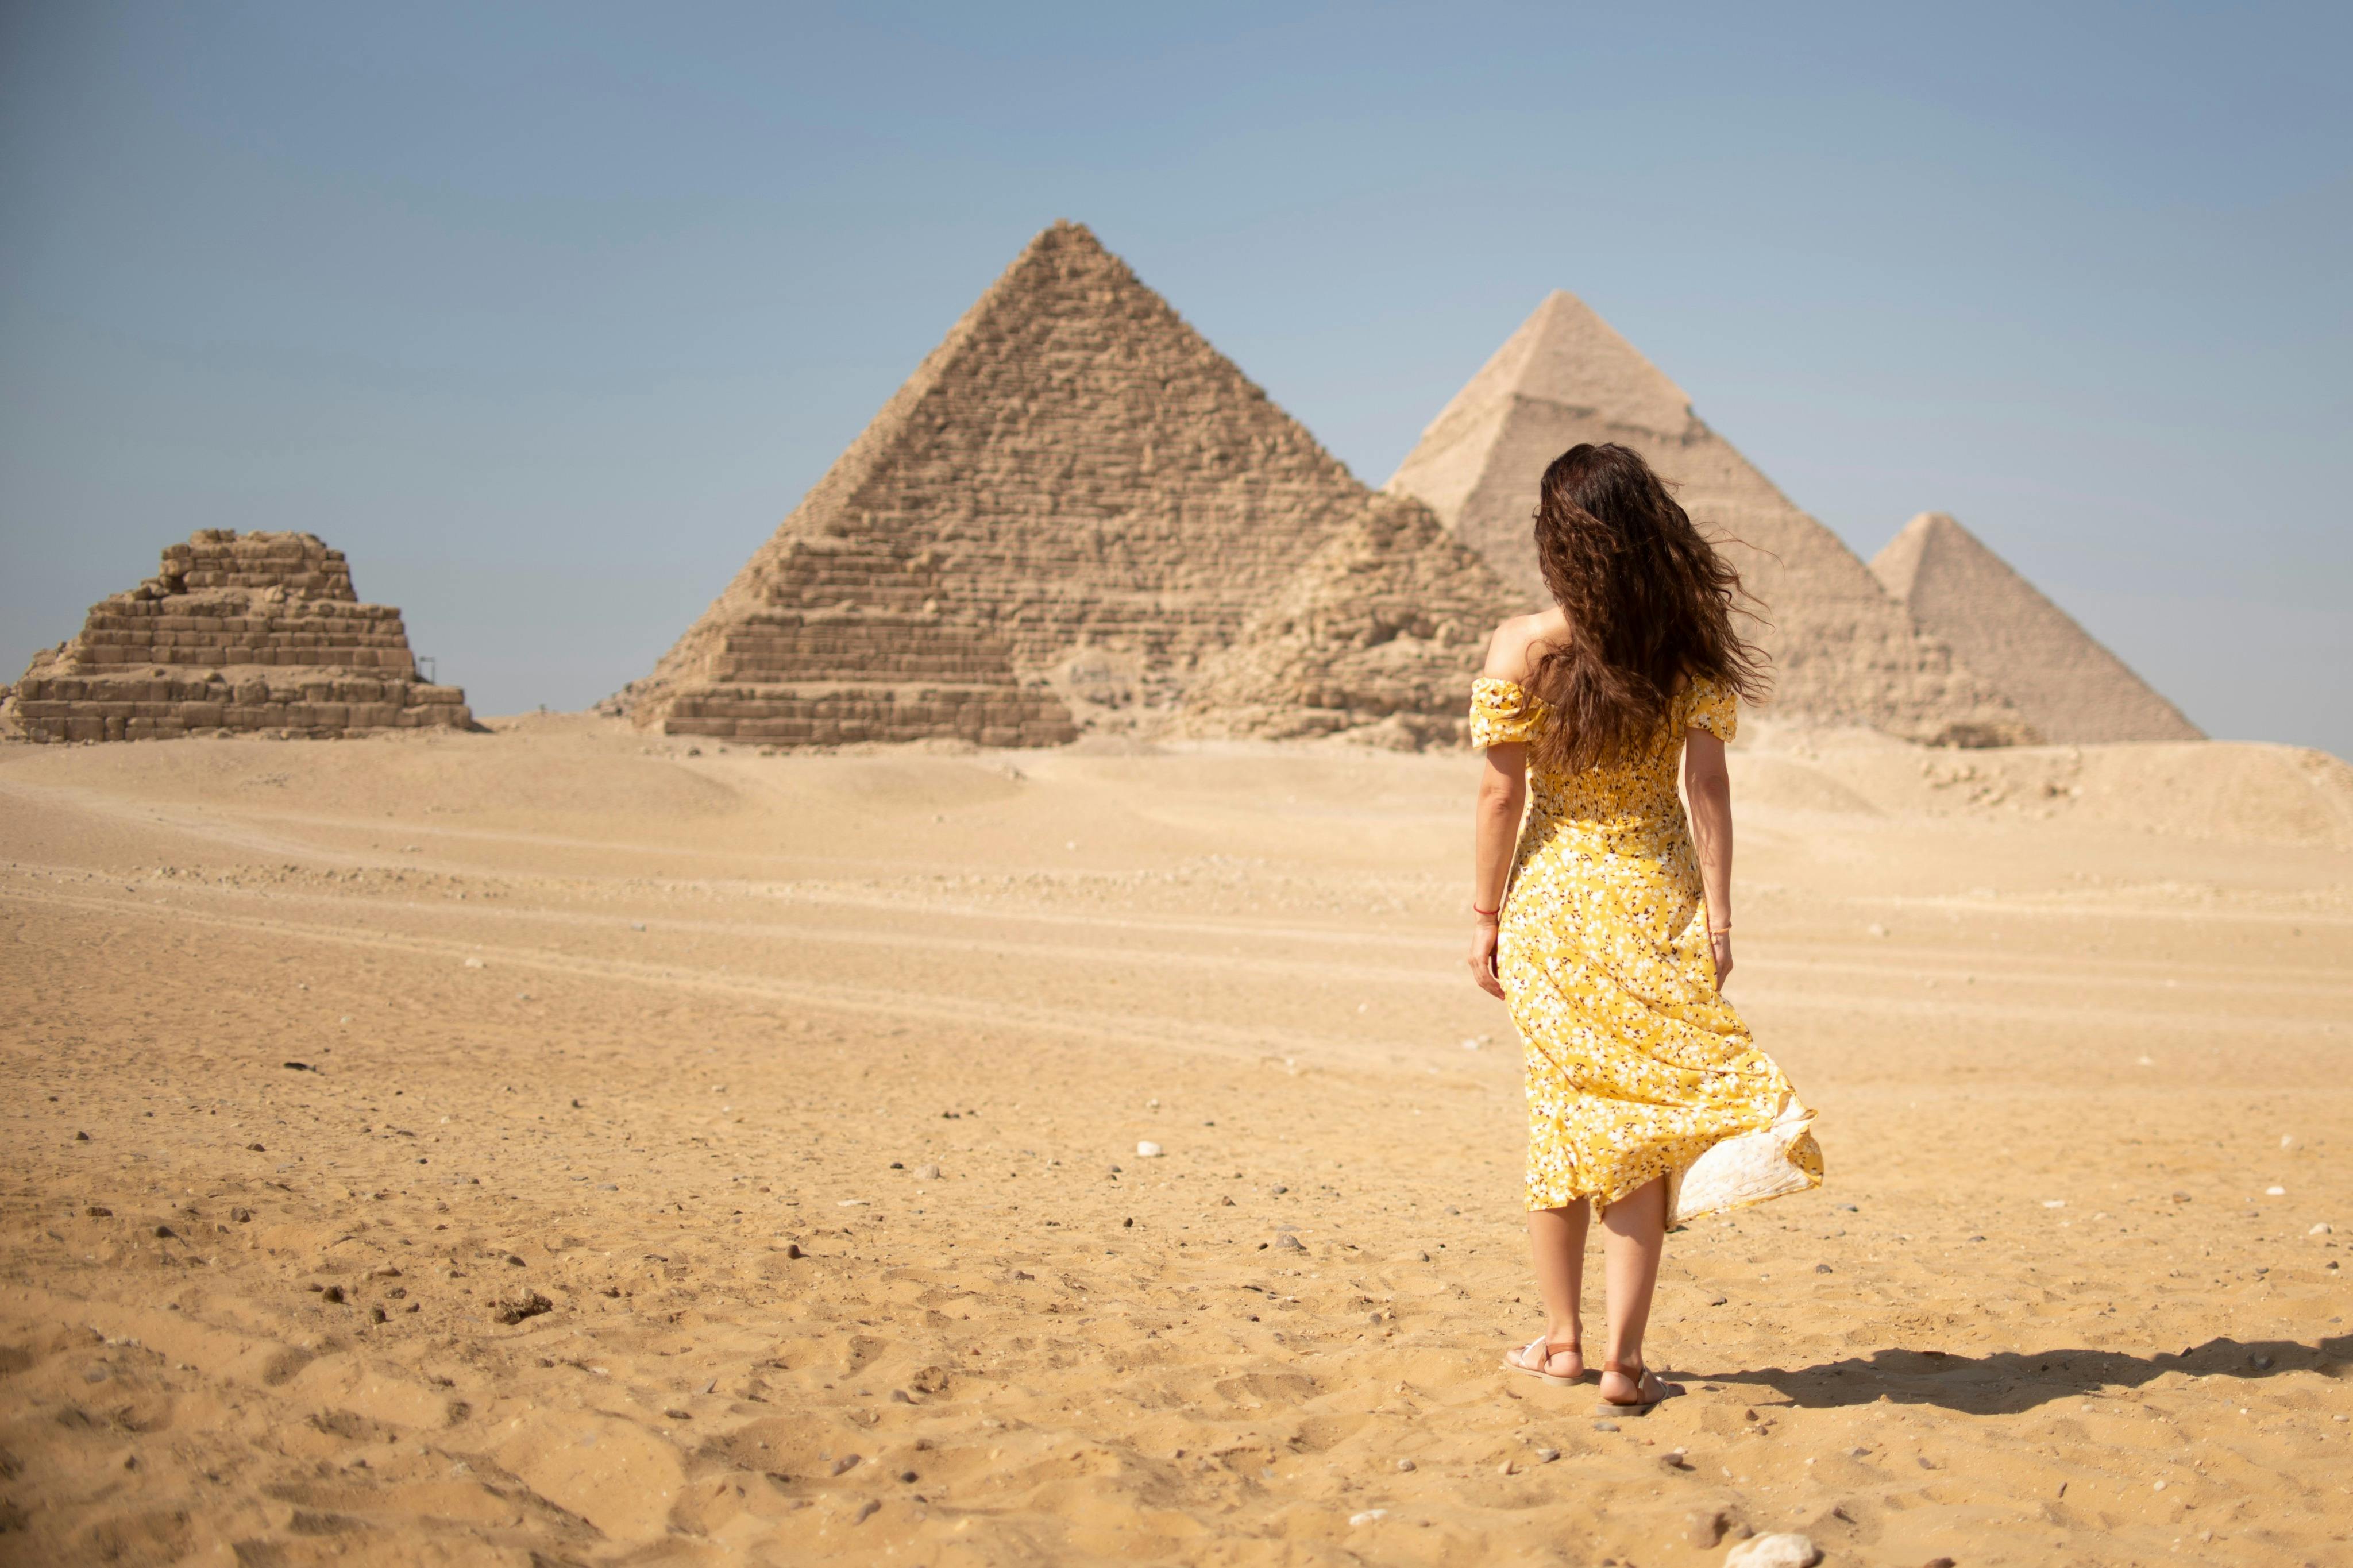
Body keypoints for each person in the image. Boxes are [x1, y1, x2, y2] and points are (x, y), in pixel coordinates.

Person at [1465, 442, 1817, 1411]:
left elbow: (1501, 798)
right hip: (1652, 904)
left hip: (1551, 906)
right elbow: (1707, 785)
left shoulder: (1522, 647)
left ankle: (1562, 1341)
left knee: (1564, 1111)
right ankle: (1624, 1361)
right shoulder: (1683, 652)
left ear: (1558, 544)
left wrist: (1487, 915)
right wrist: (1721, 910)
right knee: (1640, 1130)